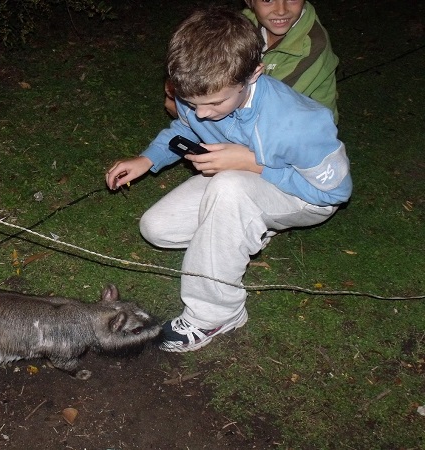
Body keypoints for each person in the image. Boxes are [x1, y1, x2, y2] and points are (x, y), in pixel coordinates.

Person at [105, 6, 352, 353]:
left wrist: (255, 166)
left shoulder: (299, 123)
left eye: (215, 103)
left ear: (253, 74)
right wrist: (148, 159)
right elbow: (184, 127)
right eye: (191, 102)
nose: (202, 113)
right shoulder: (201, 92)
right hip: (238, 176)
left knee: (229, 188)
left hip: (303, 195)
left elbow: (333, 192)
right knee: (158, 229)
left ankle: (216, 314)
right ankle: (247, 228)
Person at [164, 0, 339, 123]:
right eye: (267, 0)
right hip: (248, 105)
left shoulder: (313, 45)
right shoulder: (244, 22)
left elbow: (272, 106)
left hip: (300, 125)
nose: (281, 10)